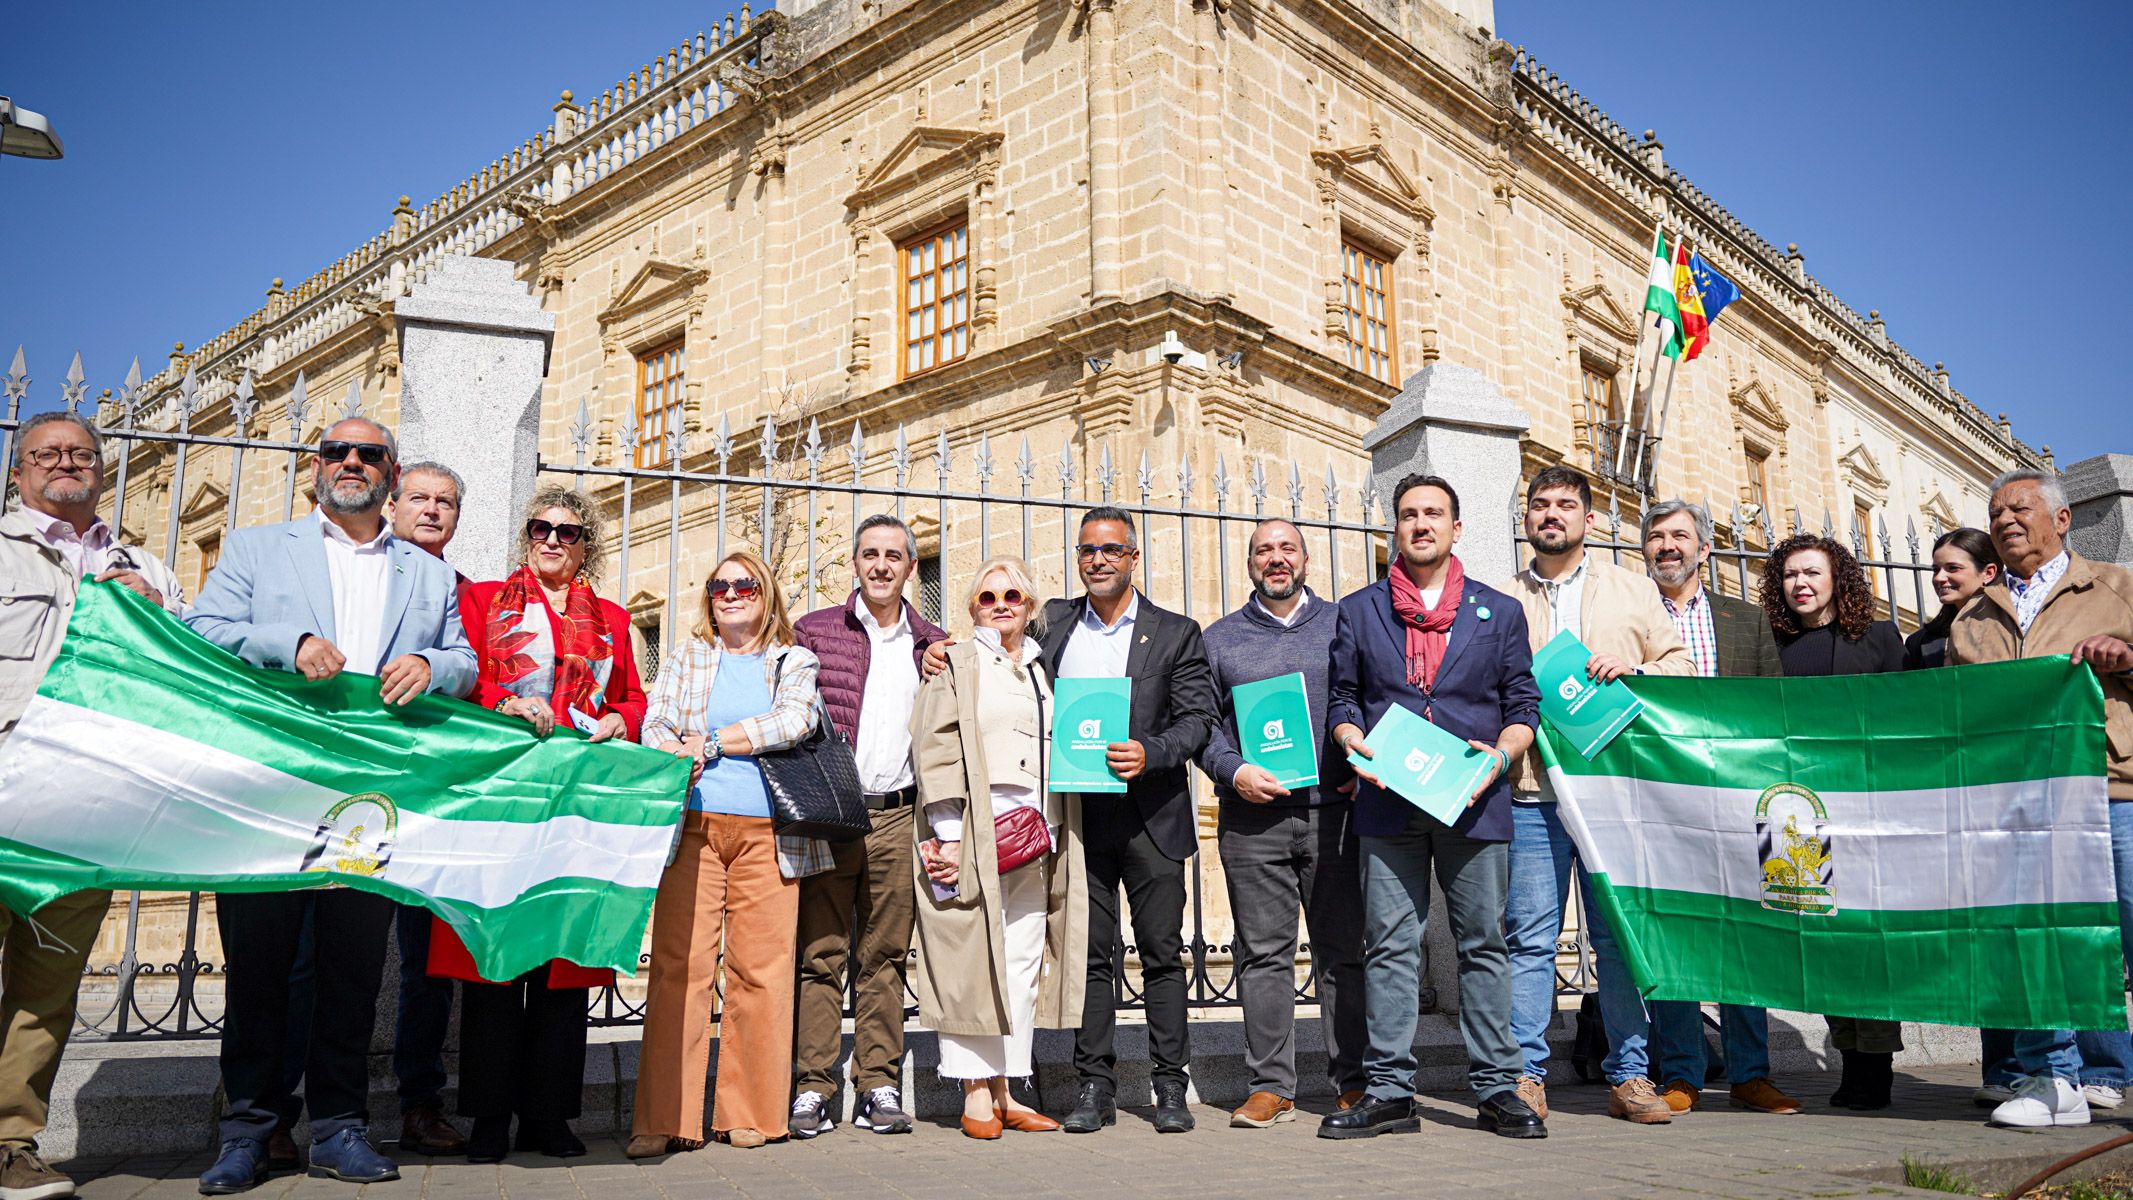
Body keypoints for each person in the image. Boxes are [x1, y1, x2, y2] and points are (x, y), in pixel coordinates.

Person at [187, 419, 476, 1194]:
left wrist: (430, 664)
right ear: (316, 467)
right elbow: (203, 628)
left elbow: (463, 659)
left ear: (391, 470)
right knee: (260, 971)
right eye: (336, 452)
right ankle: (249, 1131)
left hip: (372, 800)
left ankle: (342, 1129)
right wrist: (293, 641)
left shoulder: (428, 573)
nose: (351, 463)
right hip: (272, 792)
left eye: (368, 454)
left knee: (352, 971)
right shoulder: (254, 549)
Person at [1319, 473, 1545, 1140]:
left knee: (1483, 945)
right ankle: (1389, 1093)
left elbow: (1520, 705)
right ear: (1395, 527)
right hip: (1388, 801)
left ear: (1454, 527)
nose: (1420, 524)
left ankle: (1498, 1088)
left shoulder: (1497, 611)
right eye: (1409, 514)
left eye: (1433, 514)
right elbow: (1342, 698)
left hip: (1473, 802)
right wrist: (1350, 740)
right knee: (1389, 947)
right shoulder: (1359, 610)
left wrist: (1499, 759)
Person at [425, 487, 647, 1162]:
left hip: (578, 803)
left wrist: (621, 720)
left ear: (587, 546)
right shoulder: (484, 599)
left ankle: (549, 1117)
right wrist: (506, 703)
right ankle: (489, 1117)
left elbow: (633, 697)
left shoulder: (610, 617)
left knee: (562, 962)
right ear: (526, 536)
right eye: (540, 528)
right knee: (495, 959)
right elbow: (463, 677)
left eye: (568, 531)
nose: (552, 539)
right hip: (501, 797)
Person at [267, 460, 477, 1171]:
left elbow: (475, 672)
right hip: (330, 798)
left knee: (424, 964)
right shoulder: (342, 571)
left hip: (430, 803)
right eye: (418, 496)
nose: (431, 510)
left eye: (446, 502)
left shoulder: (462, 591)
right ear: (390, 501)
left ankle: (419, 1101)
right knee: (304, 962)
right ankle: (275, 1115)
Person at [0, 412, 184, 1200]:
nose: (65, 464)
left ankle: (13, 1141)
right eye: (47, 454)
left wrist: (157, 612)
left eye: (80, 453)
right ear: (19, 473)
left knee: (47, 983)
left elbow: (190, 679)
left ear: (103, 470)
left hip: (85, 801)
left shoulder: (147, 567)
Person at [1503, 466, 1692, 1126]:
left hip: (1613, 793)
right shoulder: (1501, 600)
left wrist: (1633, 671)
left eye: (1563, 505)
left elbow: (1681, 668)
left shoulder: (1632, 590)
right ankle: (1526, 1077)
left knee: (1615, 940)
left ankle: (1630, 1077)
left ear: (1587, 520)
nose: (1549, 514)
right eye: (1538, 505)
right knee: (1529, 941)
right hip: (1530, 793)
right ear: (1525, 519)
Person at [628, 550, 829, 1156]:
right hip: (692, 826)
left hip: (769, 832)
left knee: (760, 973)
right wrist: (676, 748)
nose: (732, 593)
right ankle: (664, 1118)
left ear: (766, 597)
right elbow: (655, 723)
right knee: (677, 968)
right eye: (720, 585)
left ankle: (751, 1113)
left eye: (745, 585)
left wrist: (712, 742)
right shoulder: (689, 656)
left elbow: (795, 720)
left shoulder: (794, 660)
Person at [1949, 470, 2133, 1129]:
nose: (2002, 520)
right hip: (2017, 804)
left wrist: (2125, 659)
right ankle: (2051, 1079)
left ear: (2061, 519)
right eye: (1994, 512)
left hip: (2109, 789)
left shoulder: (2116, 587)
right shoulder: (1972, 617)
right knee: (2029, 941)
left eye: (2018, 508)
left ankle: (2102, 1074)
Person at [1041, 507, 1216, 1133]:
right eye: (1088, 549)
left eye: (1111, 549)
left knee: (1163, 954)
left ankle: (1170, 1086)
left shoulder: (1175, 632)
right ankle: (1094, 1086)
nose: (1098, 560)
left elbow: (1199, 720)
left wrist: (1153, 753)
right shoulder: (1054, 624)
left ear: (1133, 557)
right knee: (1091, 956)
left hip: (1153, 815)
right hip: (1080, 816)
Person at [908, 558, 1086, 1139]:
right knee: (968, 956)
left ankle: (1008, 1083)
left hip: (1038, 832)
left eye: (1013, 595)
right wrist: (949, 837)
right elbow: (933, 750)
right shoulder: (956, 663)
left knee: (1020, 959)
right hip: (976, 829)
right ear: (972, 607)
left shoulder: (1040, 670)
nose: (1001, 604)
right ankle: (973, 1089)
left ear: (1030, 606)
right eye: (988, 597)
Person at [1198, 519, 1365, 1125]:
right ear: (1249, 563)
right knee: (1262, 954)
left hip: (1336, 814)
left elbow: (1372, 699)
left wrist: (1360, 758)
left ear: (1306, 558)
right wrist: (1234, 769)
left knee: (1342, 953)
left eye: (1286, 548)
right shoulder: (1219, 640)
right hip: (1252, 820)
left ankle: (1354, 1080)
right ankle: (1271, 1086)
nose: (1276, 559)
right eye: (1264, 550)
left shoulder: (1344, 626)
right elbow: (1203, 725)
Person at [1638, 499, 1800, 1116]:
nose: (1668, 546)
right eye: (1657, 537)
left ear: (1705, 549)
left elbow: (1771, 706)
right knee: (1673, 929)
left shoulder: (1744, 619)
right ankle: (1680, 1071)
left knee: (1743, 931)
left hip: (1736, 795)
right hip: (1659, 796)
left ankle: (1751, 1073)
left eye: (1680, 536)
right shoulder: (1629, 615)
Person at [789, 515, 946, 1139]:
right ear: (854, 563)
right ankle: (812, 1087)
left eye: (894, 556)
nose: (881, 565)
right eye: (869, 554)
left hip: (897, 815)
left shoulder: (931, 645)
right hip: (831, 815)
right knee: (821, 954)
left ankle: (878, 1083)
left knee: (883, 957)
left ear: (911, 567)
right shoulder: (814, 632)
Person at [1759, 532, 1905, 1112]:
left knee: (1866, 939)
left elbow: (1906, 717)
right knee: (1818, 937)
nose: (1801, 584)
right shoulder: (1772, 643)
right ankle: (1847, 1052)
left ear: (1837, 579)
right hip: (1793, 810)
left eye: (1813, 573)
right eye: (1791, 575)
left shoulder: (1878, 636)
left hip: (1864, 804)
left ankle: (1875, 1062)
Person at [1903, 527, 2000, 671]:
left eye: (1953, 568)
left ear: (1988, 573)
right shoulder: (1918, 642)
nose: (1939, 578)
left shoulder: (2013, 627)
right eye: (1936, 570)